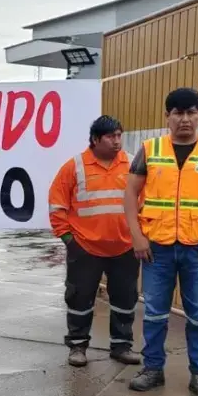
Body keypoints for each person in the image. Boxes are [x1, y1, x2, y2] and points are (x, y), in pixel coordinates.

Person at [123, 87, 198, 396]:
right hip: (156, 247)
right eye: (178, 113)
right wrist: (136, 235)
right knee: (154, 313)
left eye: (191, 112)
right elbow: (130, 193)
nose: (185, 119)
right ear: (168, 117)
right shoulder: (150, 149)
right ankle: (152, 370)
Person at [48, 115, 142, 367]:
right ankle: (77, 346)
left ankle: (121, 346)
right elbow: (57, 206)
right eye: (111, 136)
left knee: (125, 299)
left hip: (124, 248)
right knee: (79, 298)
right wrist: (70, 240)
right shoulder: (74, 167)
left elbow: (145, 202)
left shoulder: (133, 164)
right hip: (85, 249)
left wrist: (140, 236)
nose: (116, 141)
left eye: (119, 135)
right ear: (95, 139)